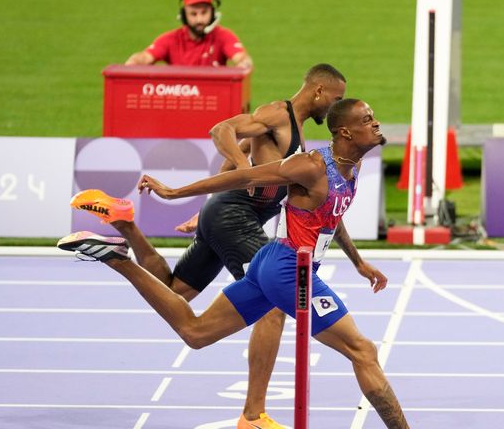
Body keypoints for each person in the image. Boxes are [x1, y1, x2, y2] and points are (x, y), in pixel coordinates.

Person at [59, 99, 410, 428]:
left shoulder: (353, 165)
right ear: (345, 132)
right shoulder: (311, 165)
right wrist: (174, 193)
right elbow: (244, 177)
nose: (377, 123)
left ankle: (118, 260)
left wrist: (358, 261)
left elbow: (333, 215)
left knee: (195, 333)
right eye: (367, 120)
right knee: (362, 350)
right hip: (288, 268)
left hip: (270, 263)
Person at [125, 0, 253, 111]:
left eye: (204, 13)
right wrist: (134, 61)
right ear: (184, 15)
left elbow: (241, 58)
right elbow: (145, 57)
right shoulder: (170, 39)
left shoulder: (223, 36)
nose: (199, 19)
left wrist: (244, 64)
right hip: (179, 106)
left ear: (212, 13)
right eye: (193, 14)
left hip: (213, 105)